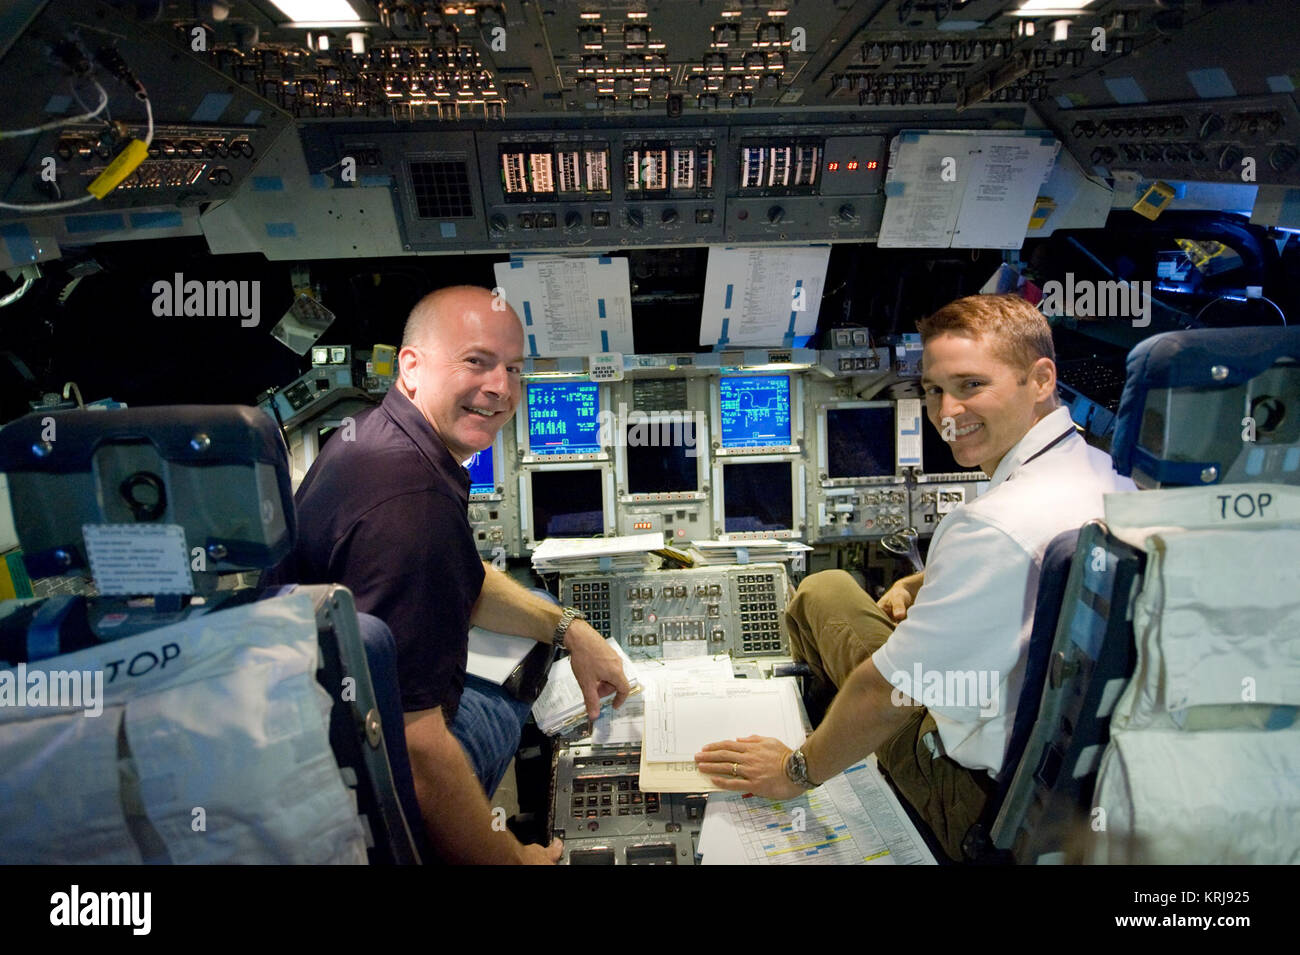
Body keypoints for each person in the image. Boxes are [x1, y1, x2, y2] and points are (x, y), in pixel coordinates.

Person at [694, 293, 1137, 861]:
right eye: (933, 389)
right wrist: (923, 583)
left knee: (822, 590)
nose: (946, 412)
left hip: (985, 806)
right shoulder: (1107, 475)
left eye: (971, 385)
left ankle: (835, 751)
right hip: (1076, 788)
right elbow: (1043, 568)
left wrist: (794, 770)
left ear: (1042, 378)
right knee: (839, 598)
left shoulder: (992, 526)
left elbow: (887, 694)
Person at [275, 285, 630, 864]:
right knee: (523, 683)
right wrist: (515, 860)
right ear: (409, 367)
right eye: (476, 362)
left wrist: (573, 629)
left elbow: (467, 576)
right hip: (359, 771)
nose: (502, 388)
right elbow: (414, 748)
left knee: (538, 619)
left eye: (513, 368)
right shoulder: (410, 503)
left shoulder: (377, 439)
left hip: (319, 722)